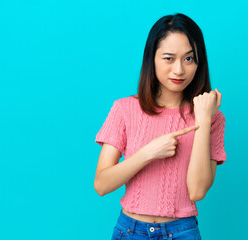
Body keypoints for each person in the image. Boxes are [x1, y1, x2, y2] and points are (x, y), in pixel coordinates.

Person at [94, 13, 226, 240]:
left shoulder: (212, 117)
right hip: (130, 230)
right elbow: (102, 184)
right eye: (168, 58)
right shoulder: (125, 109)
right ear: (152, 59)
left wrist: (203, 121)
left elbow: (197, 190)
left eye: (188, 59)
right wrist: (148, 153)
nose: (179, 70)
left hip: (181, 231)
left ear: (199, 62)